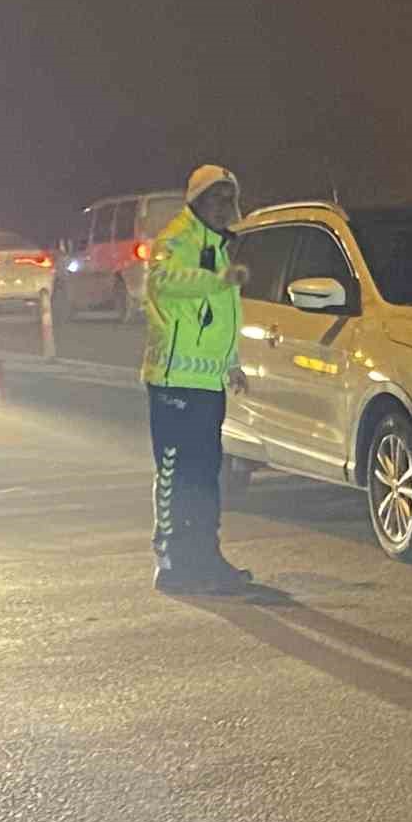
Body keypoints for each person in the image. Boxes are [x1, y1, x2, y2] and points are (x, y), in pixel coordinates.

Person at [141, 164, 253, 594]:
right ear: (196, 200)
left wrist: (231, 364)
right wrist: (216, 279)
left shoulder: (219, 247)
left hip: (207, 384)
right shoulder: (176, 240)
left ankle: (206, 556)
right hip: (173, 381)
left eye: (230, 198)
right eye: (216, 198)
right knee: (174, 470)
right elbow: (165, 283)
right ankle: (172, 560)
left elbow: (221, 319)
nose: (225, 207)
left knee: (205, 473)